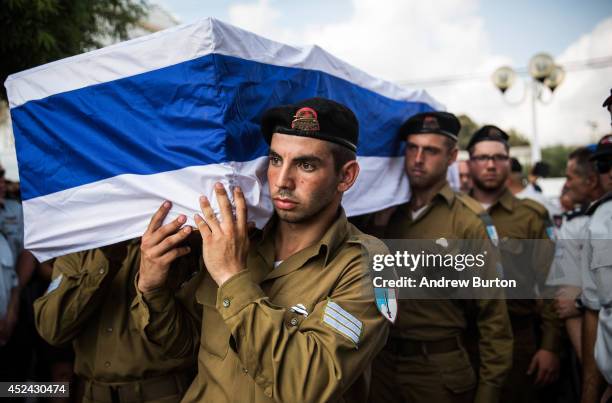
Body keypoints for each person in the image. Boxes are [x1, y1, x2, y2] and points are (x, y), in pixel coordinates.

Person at [133, 97, 391, 402]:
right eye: (276, 160)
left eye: (306, 165)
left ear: (346, 176)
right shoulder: (241, 242)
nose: (282, 181)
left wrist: (232, 277)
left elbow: (306, 385)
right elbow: (184, 346)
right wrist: (151, 288)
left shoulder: (371, 266)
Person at [366, 112, 513, 403]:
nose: (418, 158)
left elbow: (493, 317)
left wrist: (488, 392)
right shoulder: (381, 214)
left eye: (430, 150)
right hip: (380, 365)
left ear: (451, 156)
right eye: (412, 148)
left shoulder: (468, 221)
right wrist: (378, 228)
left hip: (437, 370)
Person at [33, 238, 198, 402]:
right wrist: (104, 261)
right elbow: (51, 330)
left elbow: (186, 343)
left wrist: (153, 288)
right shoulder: (77, 247)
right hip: (92, 395)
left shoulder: (179, 241)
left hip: (163, 394)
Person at [466, 125, 560, 403]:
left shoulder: (531, 216)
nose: (491, 165)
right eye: (482, 158)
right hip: (459, 343)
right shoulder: (450, 213)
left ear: (509, 163)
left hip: (518, 342)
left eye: (499, 157)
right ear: (469, 163)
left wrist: (550, 346)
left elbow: (552, 282)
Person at [546, 147, 604, 360]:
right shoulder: (574, 224)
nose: (567, 184)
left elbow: (570, 302)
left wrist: (579, 302)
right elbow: (564, 301)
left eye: (570, 177)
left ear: (590, 180)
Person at [581, 131, 612, 403]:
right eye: (604, 165)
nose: (611, 172)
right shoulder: (599, 220)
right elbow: (594, 310)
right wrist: (590, 394)